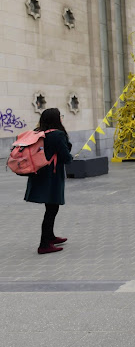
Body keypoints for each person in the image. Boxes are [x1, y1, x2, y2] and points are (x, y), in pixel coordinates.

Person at [24, 108, 73, 254]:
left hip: (39, 174)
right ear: (56, 119)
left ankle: (50, 236)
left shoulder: (38, 132)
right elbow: (65, 156)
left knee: (50, 208)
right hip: (51, 177)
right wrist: (70, 157)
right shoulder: (57, 134)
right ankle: (44, 244)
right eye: (60, 116)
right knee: (52, 209)